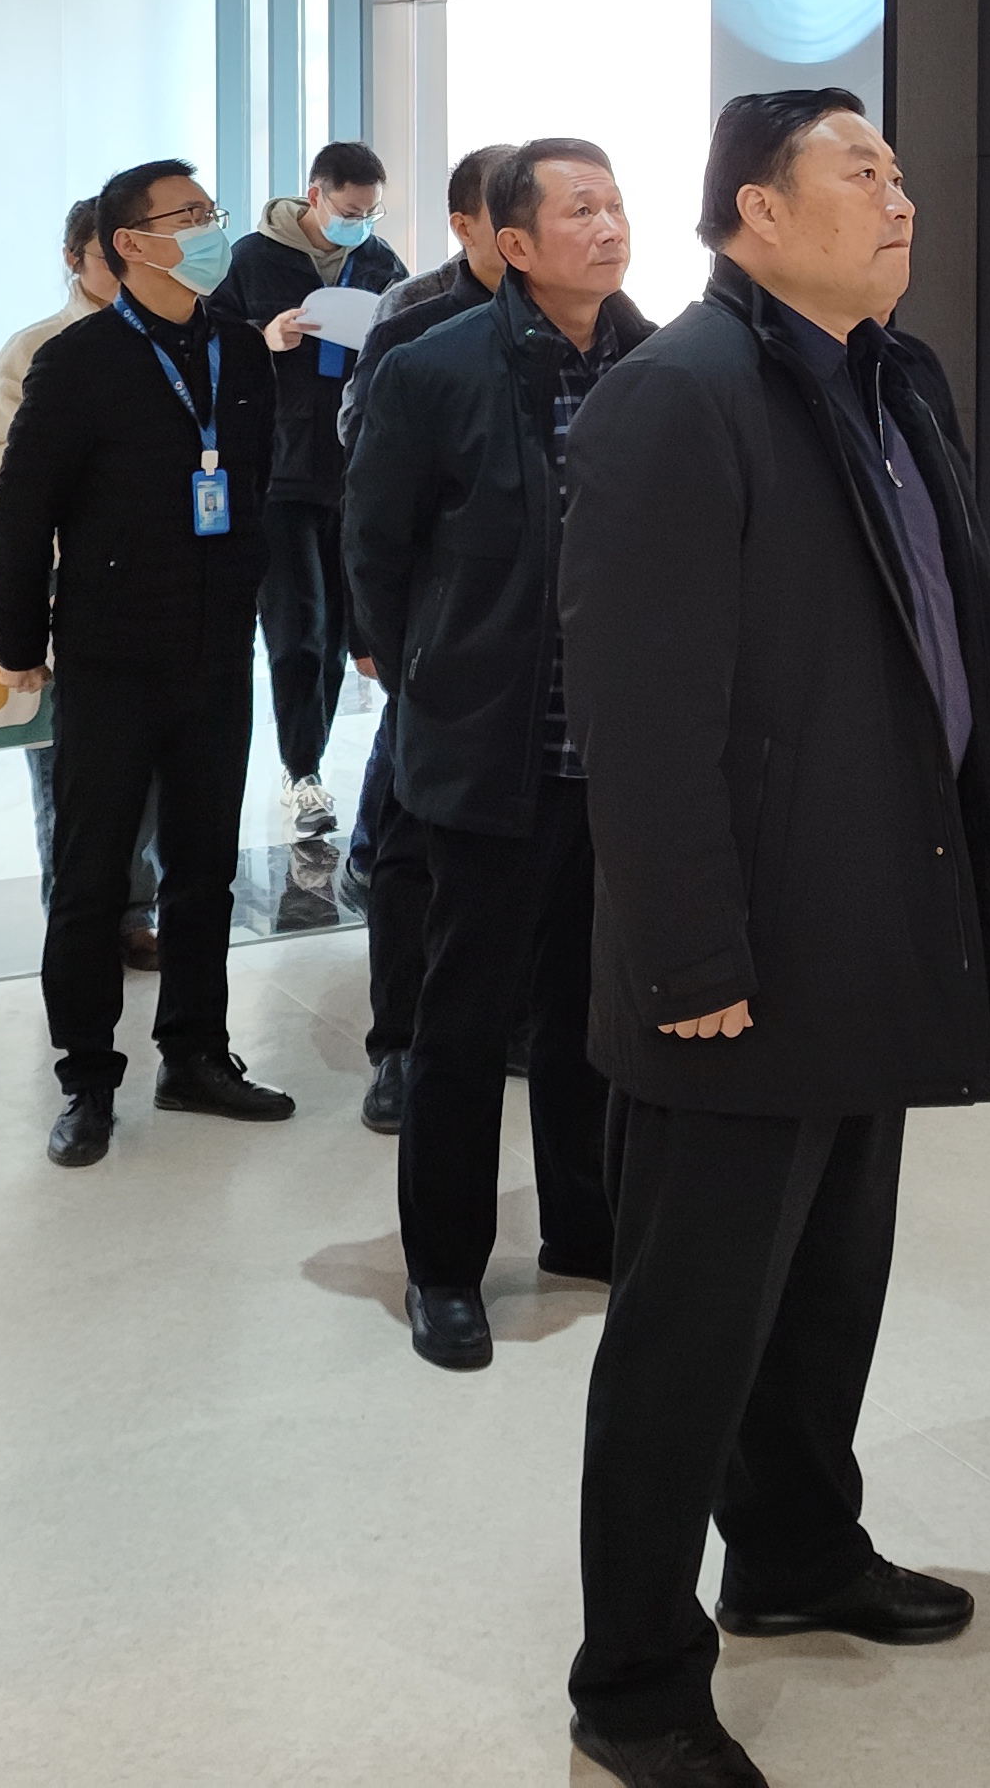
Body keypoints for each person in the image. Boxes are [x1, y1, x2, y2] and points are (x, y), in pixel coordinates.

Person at [554, 89, 990, 1788]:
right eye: (862, 172)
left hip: (870, 913)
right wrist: (690, 960)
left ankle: (796, 1552)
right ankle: (634, 1679)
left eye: (901, 172)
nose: (900, 198)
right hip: (740, 958)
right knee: (690, 1334)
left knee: (827, 1290)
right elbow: (640, 714)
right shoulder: (678, 397)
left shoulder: (890, 380)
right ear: (755, 212)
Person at [342, 138, 644, 1370]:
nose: (609, 225)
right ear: (512, 244)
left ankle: (585, 1223)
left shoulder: (656, 362)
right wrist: (429, 675)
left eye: (615, 203)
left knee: (590, 1014)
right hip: (484, 752)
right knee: (462, 1027)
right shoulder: (434, 367)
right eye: (581, 209)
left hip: (614, 756)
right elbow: (375, 548)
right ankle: (445, 1269)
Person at [0, 158, 295, 1166]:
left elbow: (254, 484)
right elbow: (22, 511)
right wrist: (21, 643)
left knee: (204, 868)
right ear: (129, 243)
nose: (209, 229)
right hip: (110, 656)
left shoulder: (237, 348)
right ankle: (86, 1076)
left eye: (210, 211)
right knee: (92, 877)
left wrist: (250, 600)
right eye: (187, 215)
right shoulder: (77, 360)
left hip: (216, 651)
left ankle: (195, 1052)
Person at [333, 141, 516, 1135]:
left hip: (535, 642)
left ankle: (513, 1018)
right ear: (468, 224)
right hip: (437, 637)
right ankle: (397, 1043)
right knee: (407, 840)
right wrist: (386, 637)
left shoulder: (594, 328)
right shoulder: (415, 320)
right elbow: (371, 490)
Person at [0, 196, 156, 970]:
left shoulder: (174, 342)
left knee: (149, 771)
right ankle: (75, 917)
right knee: (66, 769)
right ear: (75, 258)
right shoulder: (36, 347)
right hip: (61, 585)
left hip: (154, 588)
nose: (127, 268)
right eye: (111, 255)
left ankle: (135, 911)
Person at [215, 138, 406, 836]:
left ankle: (309, 761)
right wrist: (263, 338)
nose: (361, 224)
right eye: (351, 212)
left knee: (335, 641)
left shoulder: (380, 263)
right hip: (278, 471)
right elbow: (210, 343)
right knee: (297, 629)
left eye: (372, 213)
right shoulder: (251, 259)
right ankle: (302, 773)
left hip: (352, 471)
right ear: (315, 195)